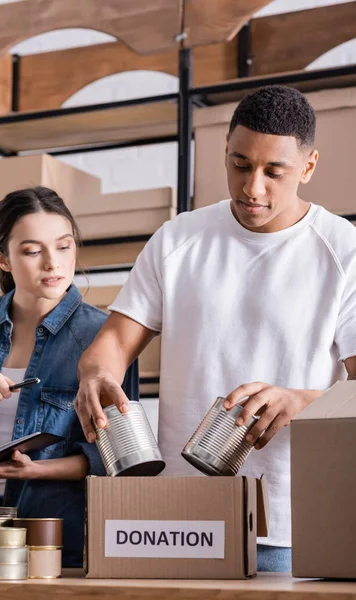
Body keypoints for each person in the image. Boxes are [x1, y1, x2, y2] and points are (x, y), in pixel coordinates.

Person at [75, 85, 356, 572]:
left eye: (275, 171)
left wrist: (299, 401)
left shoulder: (342, 250)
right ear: (225, 149)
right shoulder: (178, 239)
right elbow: (115, 342)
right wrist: (96, 373)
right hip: (178, 517)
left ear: (308, 167)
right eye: (240, 165)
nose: (253, 188)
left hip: (289, 524)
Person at [0, 186, 138, 567]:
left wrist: (35, 470)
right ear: (3, 259)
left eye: (64, 246)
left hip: (54, 539)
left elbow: (116, 458)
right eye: (32, 251)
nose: (53, 263)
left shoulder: (103, 337)